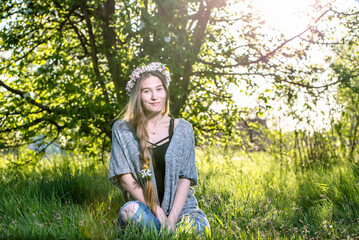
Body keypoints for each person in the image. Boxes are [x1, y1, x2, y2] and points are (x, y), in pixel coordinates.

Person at [108, 62, 210, 234]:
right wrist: (157, 210)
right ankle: (163, 233)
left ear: (166, 92)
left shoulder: (183, 129)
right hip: (145, 209)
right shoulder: (122, 129)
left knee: (199, 229)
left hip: (182, 210)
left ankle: (163, 232)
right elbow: (125, 178)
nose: (155, 96)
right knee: (129, 212)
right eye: (147, 91)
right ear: (137, 96)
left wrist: (172, 218)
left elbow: (185, 178)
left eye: (159, 89)